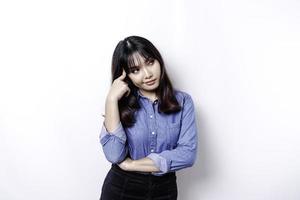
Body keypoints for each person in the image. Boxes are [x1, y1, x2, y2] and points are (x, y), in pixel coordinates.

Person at [99, 35, 198, 200]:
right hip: (121, 188)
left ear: (159, 60)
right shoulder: (120, 105)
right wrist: (111, 100)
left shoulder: (183, 102)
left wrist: (132, 164)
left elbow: (188, 155)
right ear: (126, 76)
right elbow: (114, 155)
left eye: (150, 62)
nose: (147, 74)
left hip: (164, 190)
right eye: (135, 70)